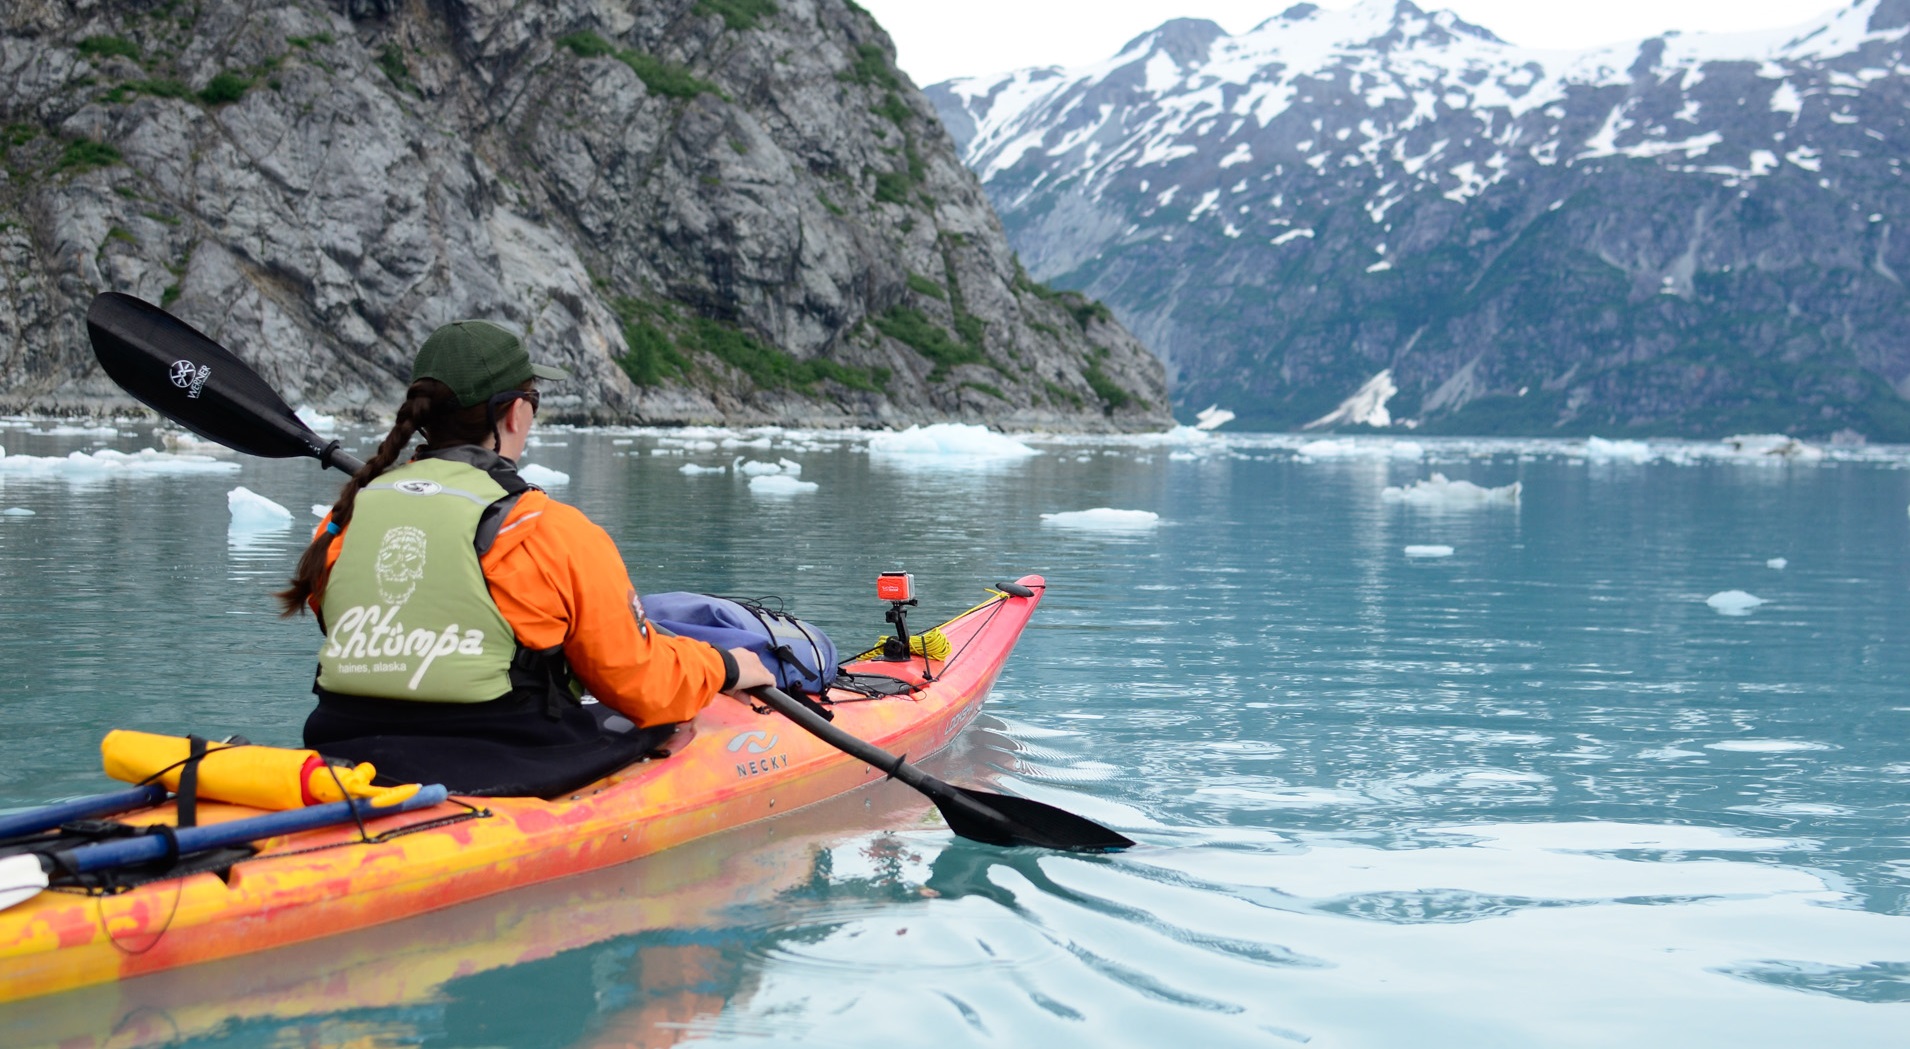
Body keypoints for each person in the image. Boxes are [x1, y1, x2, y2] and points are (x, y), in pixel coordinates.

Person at [276, 319, 773, 796]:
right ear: (515, 412)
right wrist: (726, 667)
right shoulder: (547, 530)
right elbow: (642, 685)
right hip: (503, 758)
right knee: (658, 721)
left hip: (342, 747)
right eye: (533, 399)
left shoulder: (344, 519)